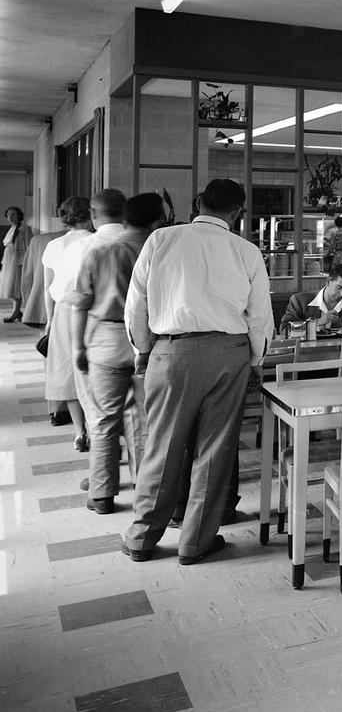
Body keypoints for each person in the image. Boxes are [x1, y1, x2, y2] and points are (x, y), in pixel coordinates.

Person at [122, 179, 272, 564]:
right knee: (215, 449)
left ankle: (142, 537)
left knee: (162, 445)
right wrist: (254, 362)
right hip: (229, 354)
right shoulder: (247, 251)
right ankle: (195, 542)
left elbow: (136, 302)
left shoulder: (161, 240)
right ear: (237, 213)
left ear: (199, 202)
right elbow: (259, 317)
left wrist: (142, 349)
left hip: (172, 352)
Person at [66, 192, 166, 514]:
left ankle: (102, 494)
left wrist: (78, 346)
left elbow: (79, 304)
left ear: (124, 219)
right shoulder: (160, 254)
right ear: (155, 222)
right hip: (148, 343)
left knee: (104, 420)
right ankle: (144, 489)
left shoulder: (101, 252)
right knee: (143, 419)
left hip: (105, 341)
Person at [42, 195, 97, 451]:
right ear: (90, 214)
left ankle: (79, 431)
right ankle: (98, 430)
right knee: (93, 370)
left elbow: (46, 287)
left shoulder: (54, 245)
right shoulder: (98, 241)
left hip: (63, 310)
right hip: (95, 308)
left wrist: (50, 319)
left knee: (67, 370)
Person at [281, 263, 342, 330]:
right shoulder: (299, 301)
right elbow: (284, 330)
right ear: (328, 282)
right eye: (339, 287)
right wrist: (318, 322)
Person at [1, 207, 33, 321]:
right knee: (10, 286)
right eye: (9, 215)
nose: (11, 217)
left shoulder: (24, 228)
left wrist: (24, 262)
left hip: (18, 261)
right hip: (9, 260)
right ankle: (17, 311)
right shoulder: (12, 228)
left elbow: (28, 246)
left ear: (19, 215)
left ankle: (16, 312)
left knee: (16, 287)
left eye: (13, 214)